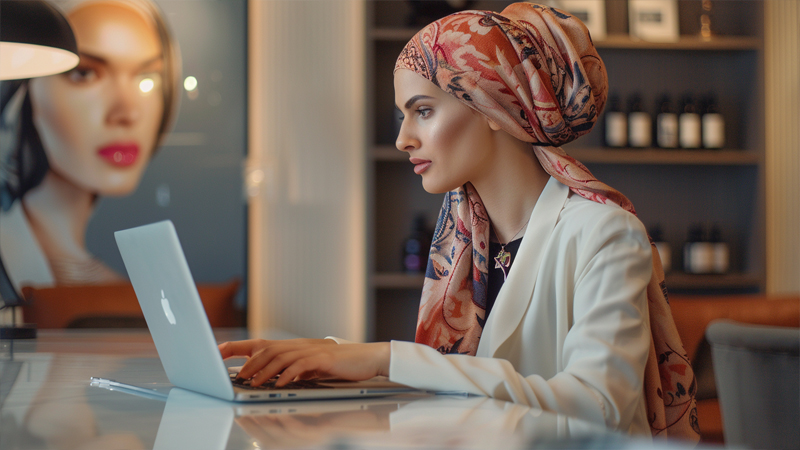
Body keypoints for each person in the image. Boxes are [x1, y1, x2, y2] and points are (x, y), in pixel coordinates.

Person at [219, 3, 699, 441]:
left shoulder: (605, 233)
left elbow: (597, 408)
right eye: (404, 117)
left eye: (423, 112)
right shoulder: (467, 237)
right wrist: (333, 357)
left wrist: (384, 359)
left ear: (491, 104)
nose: (404, 139)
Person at [0, 0, 179, 290]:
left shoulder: (123, 289)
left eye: (146, 77)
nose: (127, 112)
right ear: (24, 93)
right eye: (84, 73)